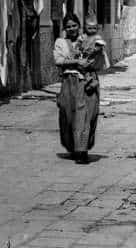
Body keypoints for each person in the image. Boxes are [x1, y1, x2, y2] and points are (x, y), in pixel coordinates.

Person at [54, 13, 101, 164]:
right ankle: (74, 148)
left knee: (85, 116)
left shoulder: (86, 40)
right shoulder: (60, 42)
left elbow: (97, 57)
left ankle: (82, 151)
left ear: (79, 26)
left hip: (86, 82)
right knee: (68, 116)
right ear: (64, 28)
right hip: (69, 82)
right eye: (68, 26)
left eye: (74, 25)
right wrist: (76, 62)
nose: (72, 28)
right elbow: (58, 60)